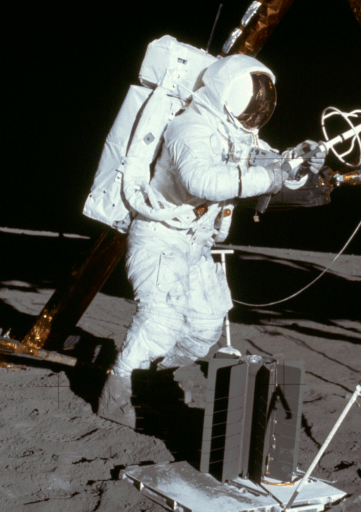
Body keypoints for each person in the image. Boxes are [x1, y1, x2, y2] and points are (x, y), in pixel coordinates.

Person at [97, 53, 325, 427]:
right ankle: (117, 389)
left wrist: (300, 164)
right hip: (160, 237)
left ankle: (149, 379)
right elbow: (202, 181)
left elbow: (273, 165)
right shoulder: (190, 129)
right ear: (227, 93)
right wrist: (271, 178)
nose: (259, 109)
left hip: (196, 243)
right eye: (253, 101)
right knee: (159, 320)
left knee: (204, 327)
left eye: (264, 103)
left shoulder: (238, 134)